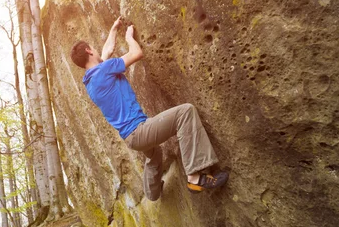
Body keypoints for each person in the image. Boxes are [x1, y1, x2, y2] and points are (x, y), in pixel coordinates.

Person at [70, 16, 229, 201]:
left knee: (154, 155)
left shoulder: (91, 80)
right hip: (140, 130)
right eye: (93, 48)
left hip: (131, 138)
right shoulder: (104, 69)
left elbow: (106, 51)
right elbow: (136, 54)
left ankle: (152, 193)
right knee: (185, 112)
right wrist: (129, 38)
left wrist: (114, 28)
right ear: (89, 50)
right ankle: (195, 177)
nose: (98, 50)